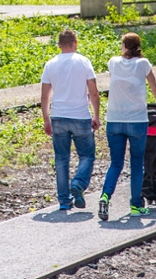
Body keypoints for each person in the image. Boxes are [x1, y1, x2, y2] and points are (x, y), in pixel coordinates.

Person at [99, 31, 156, 220]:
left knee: (116, 163)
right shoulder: (143, 64)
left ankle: (105, 197)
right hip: (136, 121)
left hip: (114, 120)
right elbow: (154, 86)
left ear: (124, 47)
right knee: (136, 163)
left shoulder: (113, 62)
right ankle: (136, 205)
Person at [40, 28, 100, 211]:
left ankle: (64, 202)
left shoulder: (50, 64)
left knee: (61, 159)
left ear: (59, 45)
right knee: (87, 155)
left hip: (58, 117)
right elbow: (94, 92)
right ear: (75, 43)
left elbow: (44, 96)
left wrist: (46, 119)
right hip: (80, 116)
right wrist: (96, 115)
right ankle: (78, 183)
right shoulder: (83, 62)